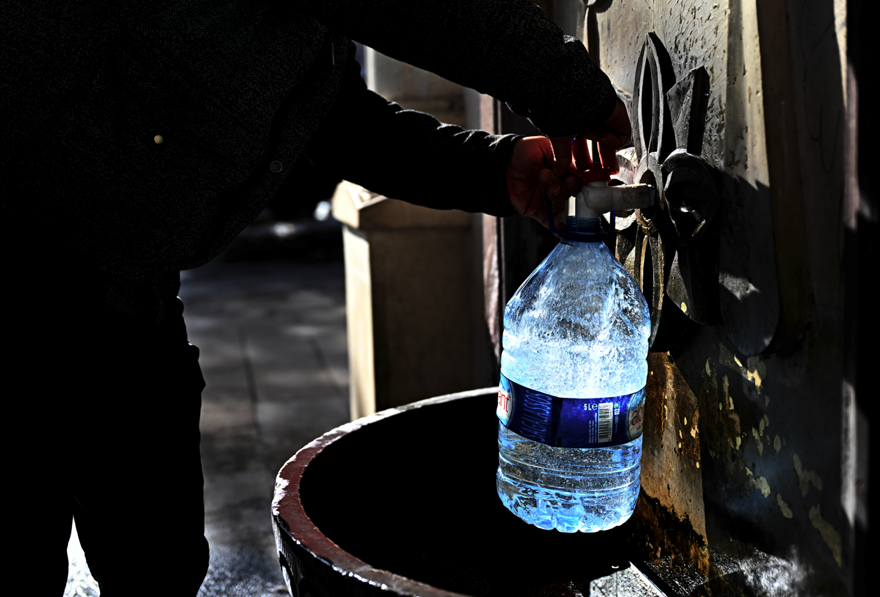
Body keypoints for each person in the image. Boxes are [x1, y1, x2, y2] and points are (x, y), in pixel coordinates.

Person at [2, 1, 630, 594]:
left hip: (131, 302)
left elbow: (329, 121)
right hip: (27, 271)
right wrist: (583, 98)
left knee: (158, 562)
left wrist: (497, 171)